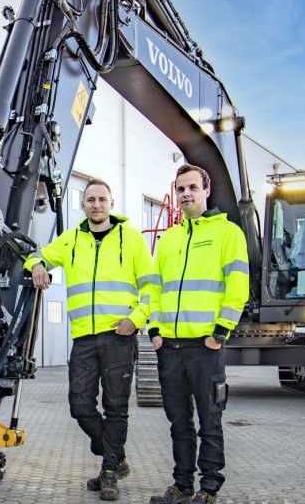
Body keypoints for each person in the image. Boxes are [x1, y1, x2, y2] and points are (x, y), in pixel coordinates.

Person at [25, 177, 157, 501]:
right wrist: (38, 265)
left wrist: (136, 319)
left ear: (111, 204)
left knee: (115, 408)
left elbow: (153, 287)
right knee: (80, 405)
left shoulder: (133, 239)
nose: (96, 204)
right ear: (83, 205)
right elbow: (34, 255)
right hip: (83, 338)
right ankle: (117, 457)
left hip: (118, 337)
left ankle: (109, 470)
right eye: (90, 199)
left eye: (102, 199)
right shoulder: (70, 240)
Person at [147, 164, 249, 504]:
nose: (186, 194)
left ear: (207, 191)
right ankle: (181, 485)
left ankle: (208, 489)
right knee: (178, 422)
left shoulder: (228, 233)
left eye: (192, 187)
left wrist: (220, 332)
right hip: (170, 347)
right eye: (181, 189)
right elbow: (155, 290)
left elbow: (238, 287)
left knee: (210, 420)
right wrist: (154, 331)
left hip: (205, 346)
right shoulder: (169, 239)